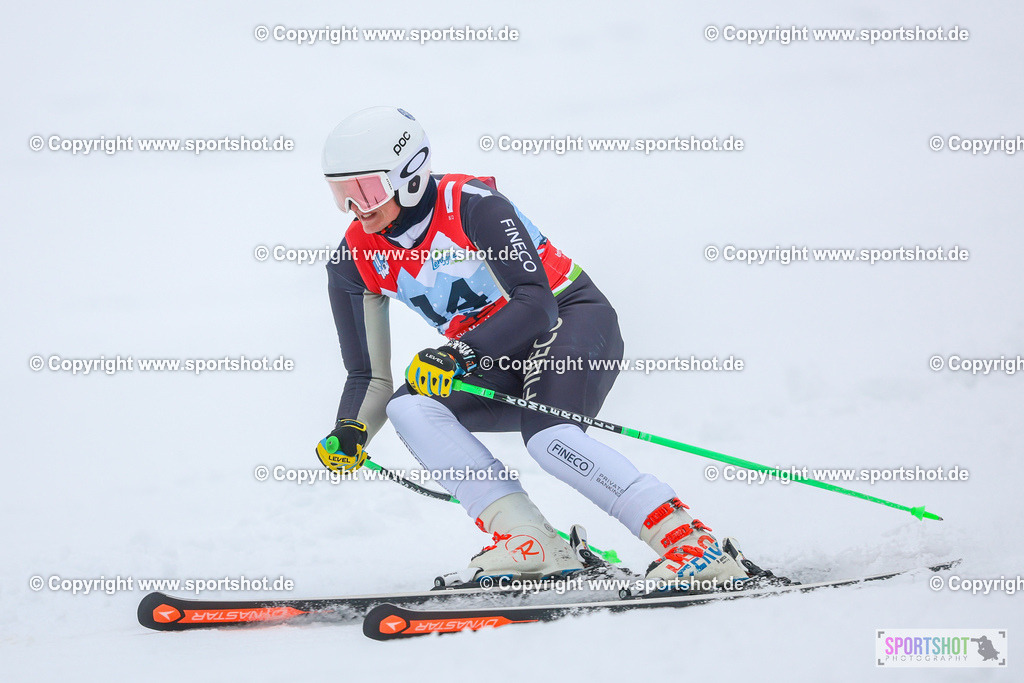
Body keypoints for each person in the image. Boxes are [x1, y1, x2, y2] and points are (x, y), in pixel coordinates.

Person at [316, 106, 751, 590]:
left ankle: (693, 545)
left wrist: (458, 354)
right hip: (493, 354)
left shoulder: (474, 205)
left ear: (410, 174)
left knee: (550, 438)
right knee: (410, 407)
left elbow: (536, 304)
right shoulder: (353, 259)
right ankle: (530, 542)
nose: (358, 208)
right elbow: (368, 377)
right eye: (342, 195)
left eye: (367, 191)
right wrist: (351, 430)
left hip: (570, 317)